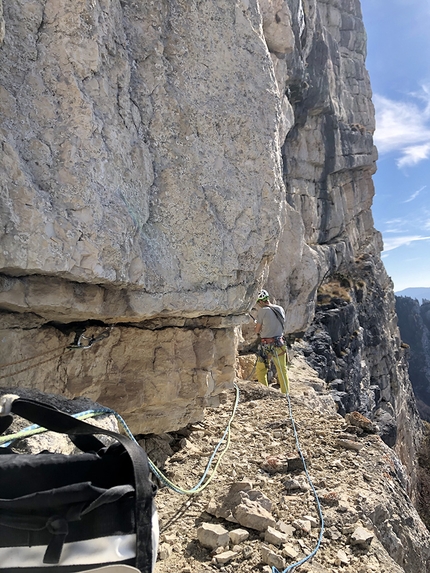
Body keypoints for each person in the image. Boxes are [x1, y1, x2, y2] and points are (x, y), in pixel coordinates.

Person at [254, 289, 289, 395]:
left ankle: (264, 392)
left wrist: (257, 324)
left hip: (267, 344)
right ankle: (285, 393)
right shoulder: (280, 309)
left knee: (261, 369)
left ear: (260, 301)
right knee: (282, 369)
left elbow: (257, 330)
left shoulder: (262, 311)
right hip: (279, 343)